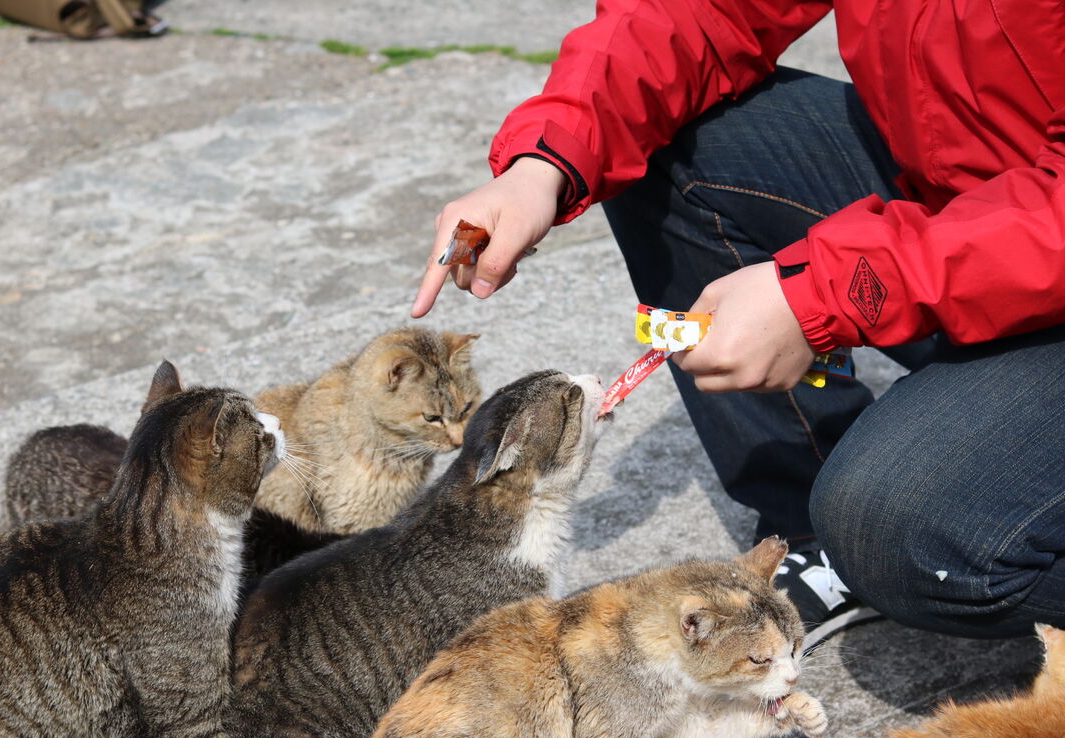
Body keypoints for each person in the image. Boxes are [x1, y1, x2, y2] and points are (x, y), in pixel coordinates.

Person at [412, 0, 1065, 648]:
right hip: (959, 204)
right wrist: (545, 162)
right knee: (659, 139)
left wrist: (826, 292)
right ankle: (812, 527)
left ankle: (914, 531)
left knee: (903, 527)